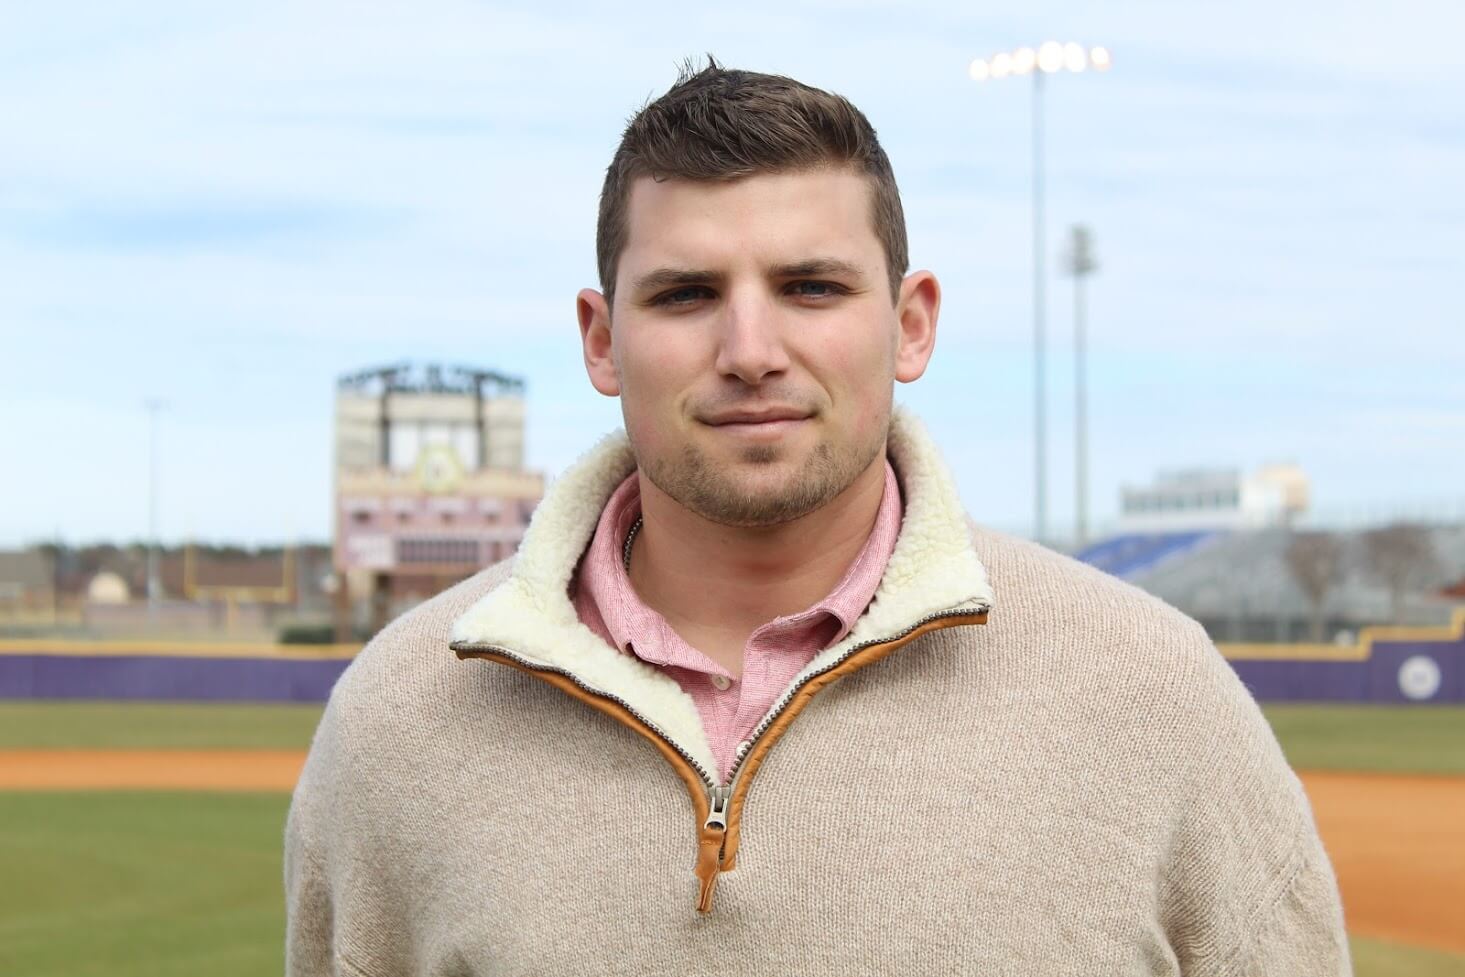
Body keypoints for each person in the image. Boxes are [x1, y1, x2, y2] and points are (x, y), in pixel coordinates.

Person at [286, 60, 1350, 975]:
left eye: (809, 286)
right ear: (601, 339)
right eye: (686, 293)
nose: (750, 348)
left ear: (910, 323)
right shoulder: (401, 717)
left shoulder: (1152, 693)